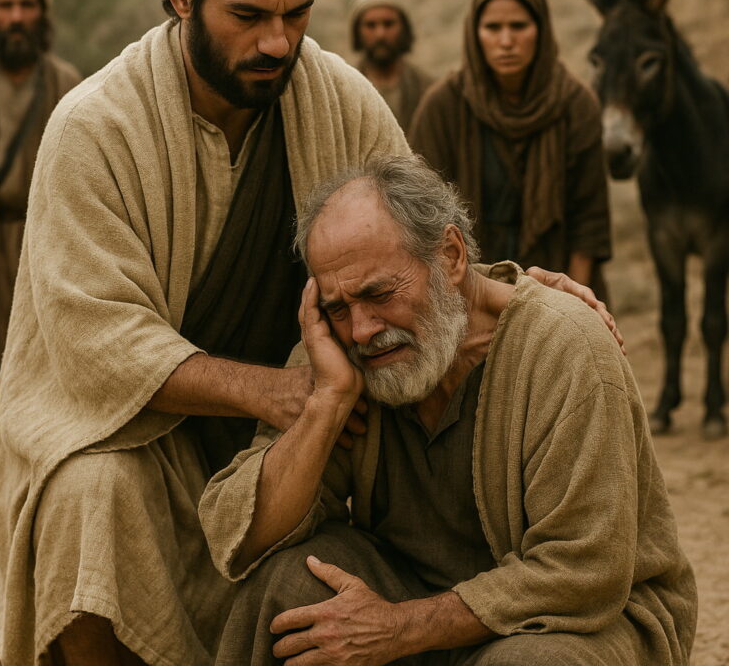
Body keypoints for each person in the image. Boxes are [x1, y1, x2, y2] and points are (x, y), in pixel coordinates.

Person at [0, 0, 621, 665]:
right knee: (91, 494)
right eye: (248, 15)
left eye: (298, 13)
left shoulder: (341, 100)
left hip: (288, 426)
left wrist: (513, 293)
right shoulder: (94, 127)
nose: (277, 41)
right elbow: (95, 338)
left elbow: (416, 237)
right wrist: (282, 396)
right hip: (137, 427)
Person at [201, 156, 696, 666]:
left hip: (580, 623)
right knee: (284, 584)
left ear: (451, 256)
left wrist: (400, 628)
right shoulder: (344, 350)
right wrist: (326, 405)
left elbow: (583, 571)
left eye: (379, 293)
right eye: (339, 307)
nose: (364, 329)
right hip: (415, 601)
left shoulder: (563, 346)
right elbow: (241, 539)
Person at [409, 0, 611, 298]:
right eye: (492, 28)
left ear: (541, 31)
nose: (506, 41)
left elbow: (589, 221)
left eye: (519, 26)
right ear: (475, 34)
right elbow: (423, 215)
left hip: (557, 285)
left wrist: (575, 302)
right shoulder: (443, 106)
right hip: (469, 291)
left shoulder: (575, 104)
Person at [0, 0, 80, 504]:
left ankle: (29, 454)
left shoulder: (66, 84)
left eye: (26, 6)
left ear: (42, 16)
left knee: (38, 351)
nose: (16, 17)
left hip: (42, 237)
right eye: (5, 6)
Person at [349, 0, 433, 133]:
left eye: (388, 24)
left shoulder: (427, 90)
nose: (380, 34)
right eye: (371, 25)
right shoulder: (344, 88)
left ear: (404, 28)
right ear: (358, 31)